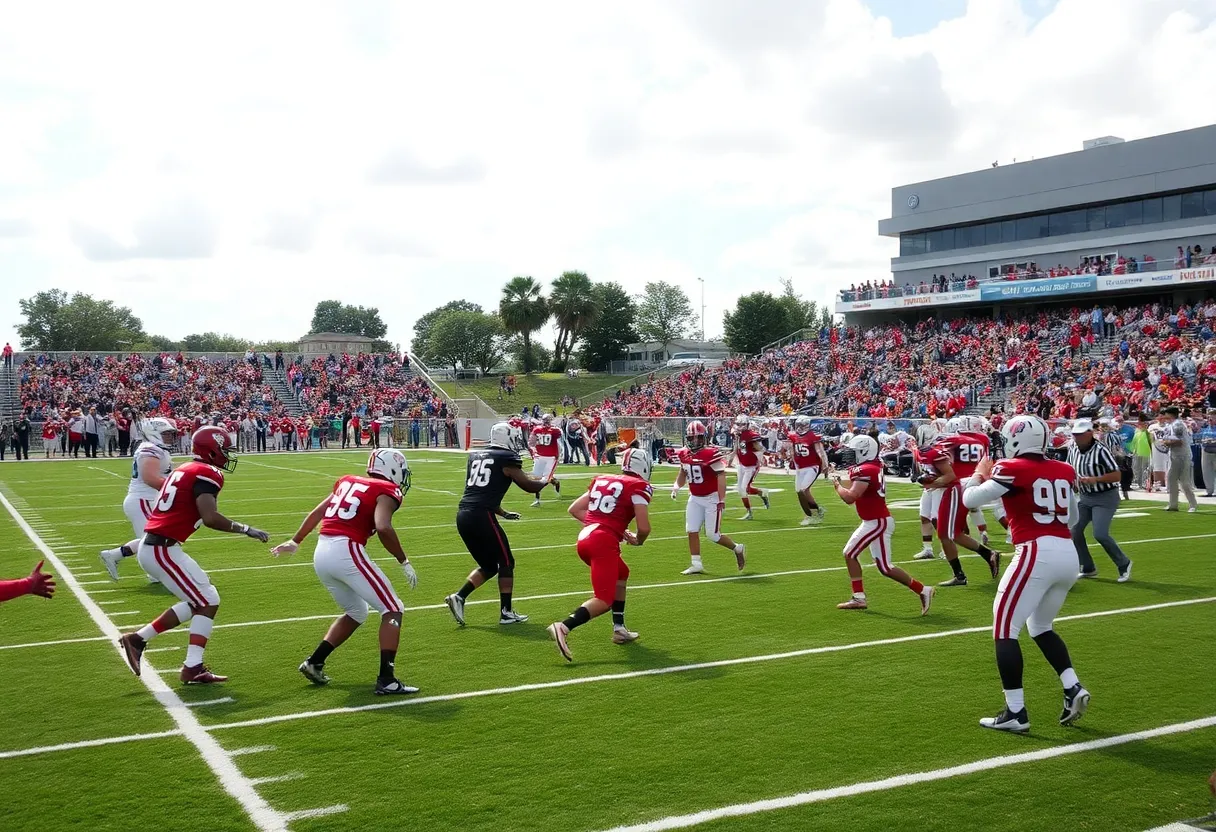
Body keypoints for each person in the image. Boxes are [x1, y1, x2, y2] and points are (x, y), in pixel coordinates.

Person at [964, 414, 1090, 734]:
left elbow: (969, 499)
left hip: (1035, 550)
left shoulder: (1012, 468)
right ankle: (1072, 687)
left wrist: (978, 475)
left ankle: (1015, 712)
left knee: (1004, 627)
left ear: (1016, 439)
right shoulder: (1063, 469)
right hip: (1067, 553)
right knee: (1040, 626)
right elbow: (1073, 515)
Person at [117, 427, 270, 685]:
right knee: (207, 601)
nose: (227, 454)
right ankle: (187, 665)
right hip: (162, 549)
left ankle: (142, 641)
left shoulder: (184, 468)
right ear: (211, 449)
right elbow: (210, 518)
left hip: (159, 546)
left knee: (203, 599)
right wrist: (246, 529)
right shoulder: (206, 473)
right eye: (224, 449)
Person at [271, 449, 419, 695]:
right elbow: (383, 527)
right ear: (392, 468)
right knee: (393, 609)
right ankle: (387, 679)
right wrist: (403, 561)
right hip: (346, 550)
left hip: (322, 552)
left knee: (356, 611)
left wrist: (295, 541)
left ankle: (314, 662)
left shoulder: (348, 481)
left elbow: (317, 513)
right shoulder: (387, 491)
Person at [547, 446, 653, 661]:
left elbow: (575, 509)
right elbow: (644, 528)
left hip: (586, 536)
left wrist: (615, 529)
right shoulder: (639, 486)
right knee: (604, 599)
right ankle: (563, 627)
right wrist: (637, 540)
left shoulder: (603, 479)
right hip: (602, 542)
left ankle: (619, 628)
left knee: (622, 574)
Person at [443, 422, 548, 626]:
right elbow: (527, 486)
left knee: (490, 566)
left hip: (464, 514)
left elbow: (481, 490)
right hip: (481, 515)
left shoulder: (476, 455)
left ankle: (459, 596)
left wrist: (503, 512)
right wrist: (546, 479)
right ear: (506, 437)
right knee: (507, 562)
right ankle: (506, 612)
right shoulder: (506, 458)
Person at [831, 435, 935, 615]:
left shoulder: (866, 469)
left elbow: (850, 497)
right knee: (885, 567)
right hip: (876, 520)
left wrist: (837, 486)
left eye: (854, 452)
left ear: (864, 451)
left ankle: (859, 597)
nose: (850, 456)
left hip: (876, 521)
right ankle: (923, 590)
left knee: (849, 553)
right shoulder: (872, 466)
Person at [917, 419, 1002, 587]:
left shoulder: (946, 443)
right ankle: (981, 560)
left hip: (957, 487)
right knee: (951, 532)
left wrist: (931, 482)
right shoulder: (980, 439)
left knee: (947, 533)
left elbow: (948, 472)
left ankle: (968, 569)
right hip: (972, 482)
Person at [99, 418, 179, 582]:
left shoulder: (157, 449)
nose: (170, 436)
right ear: (153, 433)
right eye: (166, 433)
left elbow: (164, 474)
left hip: (148, 500)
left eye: (171, 433)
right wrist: (178, 490)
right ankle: (155, 572)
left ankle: (115, 555)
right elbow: (150, 478)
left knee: (154, 539)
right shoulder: (150, 449)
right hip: (143, 499)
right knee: (156, 539)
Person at [672, 420, 747, 575]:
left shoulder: (710, 453)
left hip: (711, 498)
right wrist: (676, 486)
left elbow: (721, 477)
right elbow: (683, 472)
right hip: (694, 497)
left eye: (699, 437)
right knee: (691, 530)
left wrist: (721, 499)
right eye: (692, 438)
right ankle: (696, 563)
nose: (695, 441)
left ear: (704, 438)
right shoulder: (684, 453)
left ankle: (737, 548)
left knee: (713, 535)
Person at [1067, 418, 1133, 582]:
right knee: (1074, 530)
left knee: (1100, 534)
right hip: (1084, 496)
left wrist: (1095, 479)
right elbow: (1069, 468)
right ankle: (1087, 566)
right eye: (1075, 434)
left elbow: (1117, 475)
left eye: (1080, 434)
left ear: (1090, 434)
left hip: (1105, 497)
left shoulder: (1100, 450)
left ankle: (1124, 563)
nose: (1076, 437)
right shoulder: (1073, 448)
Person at [787, 415, 829, 526]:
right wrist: (789, 458)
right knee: (800, 492)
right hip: (800, 468)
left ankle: (810, 516)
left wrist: (825, 464)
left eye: (802, 425)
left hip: (812, 466)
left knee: (803, 490)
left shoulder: (813, 436)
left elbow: (820, 451)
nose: (799, 428)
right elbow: (792, 449)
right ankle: (817, 511)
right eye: (798, 425)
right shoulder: (793, 436)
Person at [728, 415, 770, 520]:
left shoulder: (750, 435)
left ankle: (749, 513)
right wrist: (730, 460)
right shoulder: (738, 435)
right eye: (739, 424)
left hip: (751, 465)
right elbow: (736, 448)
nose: (740, 426)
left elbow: (759, 448)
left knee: (743, 489)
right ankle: (761, 493)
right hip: (741, 464)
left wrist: (763, 456)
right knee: (741, 489)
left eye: (742, 424)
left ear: (746, 425)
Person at [1160, 406, 1198, 512]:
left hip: (1183, 456)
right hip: (1174, 456)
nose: (1164, 416)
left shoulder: (1178, 425)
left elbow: (1179, 441)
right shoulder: (1170, 425)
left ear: (1171, 414)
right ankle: (1173, 504)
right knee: (1171, 480)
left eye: (1166, 414)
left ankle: (1193, 505)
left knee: (1184, 481)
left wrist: (1165, 443)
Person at [527, 415, 563, 507]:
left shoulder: (555, 430)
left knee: (545, 479)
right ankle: (537, 499)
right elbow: (531, 443)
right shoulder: (538, 429)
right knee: (537, 478)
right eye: (545, 420)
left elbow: (559, 441)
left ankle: (553, 483)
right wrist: (534, 453)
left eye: (547, 420)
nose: (546, 422)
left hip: (551, 457)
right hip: (540, 456)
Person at [1199, 409, 1216, 497]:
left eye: (1212, 417)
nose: (1210, 419)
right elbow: (1200, 438)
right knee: (1207, 471)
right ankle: (1209, 491)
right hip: (1206, 450)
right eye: (1209, 417)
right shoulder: (1206, 428)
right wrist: (1204, 441)